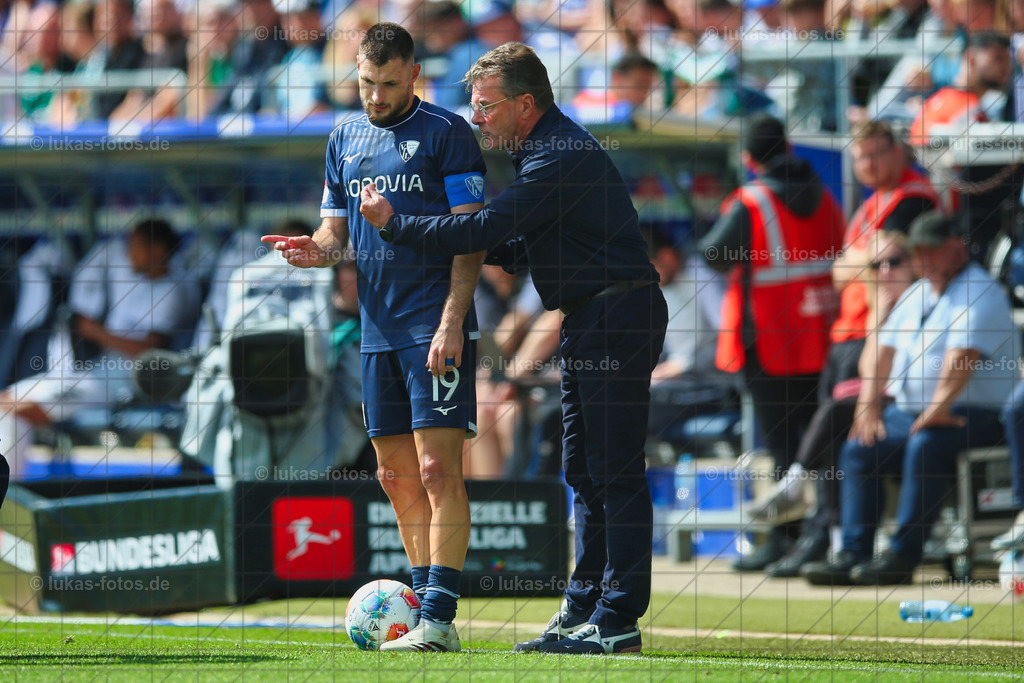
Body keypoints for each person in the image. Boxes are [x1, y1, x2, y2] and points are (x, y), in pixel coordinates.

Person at [360, 41, 669, 655]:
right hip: (592, 316)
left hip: (617, 314)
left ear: (525, 104)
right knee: (583, 470)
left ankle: (618, 620)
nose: (476, 118)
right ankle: (585, 606)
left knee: (614, 472)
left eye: (485, 106)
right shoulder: (543, 152)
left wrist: (400, 225)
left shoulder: (556, 154)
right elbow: (518, 248)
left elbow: (483, 229)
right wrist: (457, 237)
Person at [261, 23, 486, 653]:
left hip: (434, 323)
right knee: (393, 476)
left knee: (440, 468)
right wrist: (313, 250)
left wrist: (451, 321)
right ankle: (420, 610)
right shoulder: (343, 137)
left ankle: (437, 617)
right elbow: (337, 238)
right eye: (365, 83)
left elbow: (472, 236)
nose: (374, 96)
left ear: (414, 74)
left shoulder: (448, 134)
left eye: (388, 83)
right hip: (377, 329)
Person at [802, 212, 1019, 586]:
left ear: (956, 247)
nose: (925, 259)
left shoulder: (980, 289)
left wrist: (936, 410)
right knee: (861, 444)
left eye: (933, 251)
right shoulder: (919, 292)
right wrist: (868, 406)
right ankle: (853, 552)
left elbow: (962, 358)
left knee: (926, 443)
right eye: (919, 252)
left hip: (977, 414)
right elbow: (880, 352)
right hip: (917, 410)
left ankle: (903, 556)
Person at [699, 112, 846, 572]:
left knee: (783, 446)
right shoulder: (825, 196)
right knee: (819, 446)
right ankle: (819, 535)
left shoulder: (751, 201)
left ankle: (787, 539)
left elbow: (713, 256)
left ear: (748, 157)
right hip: (821, 336)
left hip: (768, 341)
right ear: (789, 147)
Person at [0, 218, 196, 480]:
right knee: (5, 399)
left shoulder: (173, 290)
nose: (129, 254)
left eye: (136, 247)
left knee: (15, 409)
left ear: (158, 250)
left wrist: (95, 331)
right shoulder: (136, 283)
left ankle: (9, 497)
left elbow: (148, 353)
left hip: (126, 384)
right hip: (96, 373)